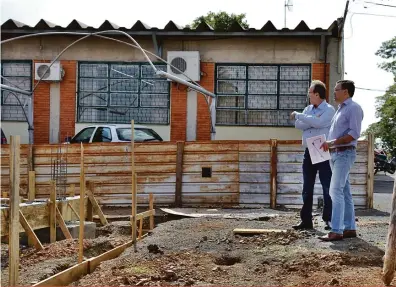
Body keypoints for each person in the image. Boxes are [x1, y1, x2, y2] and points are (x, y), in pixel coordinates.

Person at [319, 80, 364, 241]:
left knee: (334, 190)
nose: (334, 92)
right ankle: (349, 228)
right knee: (344, 192)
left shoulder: (353, 108)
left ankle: (336, 230)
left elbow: (354, 134)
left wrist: (331, 142)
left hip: (344, 154)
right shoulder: (340, 110)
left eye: (336, 89)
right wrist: (330, 144)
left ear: (346, 92)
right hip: (336, 154)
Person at [290, 80, 335, 230]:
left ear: (316, 94)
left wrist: (299, 115)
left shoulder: (329, 109)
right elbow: (298, 125)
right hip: (309, 149)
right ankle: (306, 221)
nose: (308, 96)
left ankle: (328, 219)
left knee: (326, 186)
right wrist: (311, 121)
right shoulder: (308, 108)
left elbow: (317, 122)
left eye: (310, 93)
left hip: (321, 148)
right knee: (307, 187)